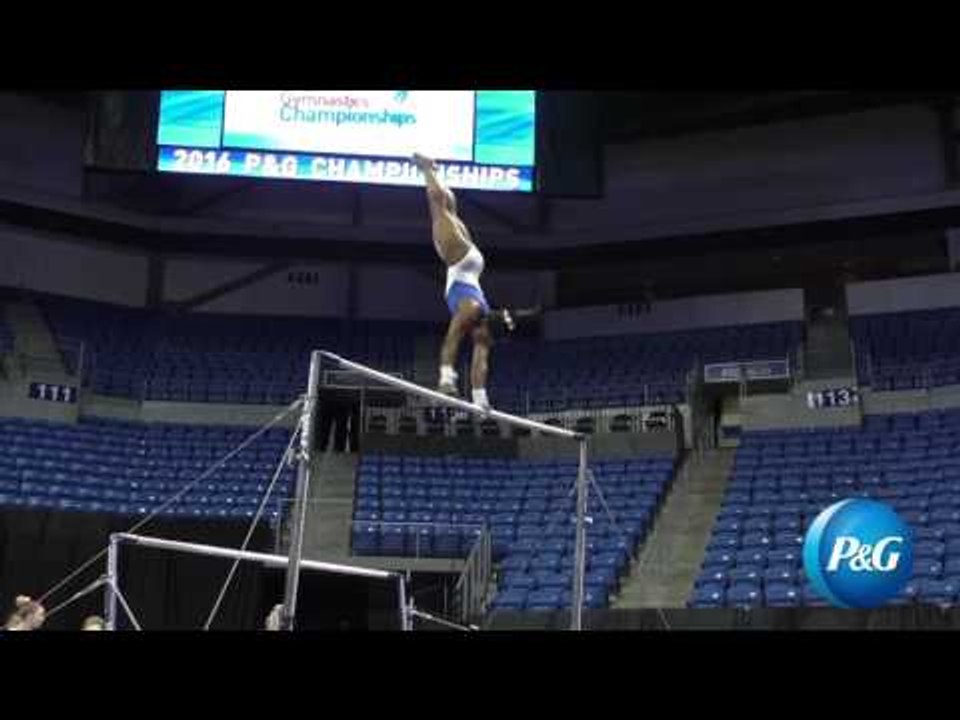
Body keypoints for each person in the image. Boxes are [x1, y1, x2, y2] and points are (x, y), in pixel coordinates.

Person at [411, 152, 519, 410]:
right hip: (459, 259)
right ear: (485, 327)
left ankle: (433, 169)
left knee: (449, 207)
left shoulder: (483, 332)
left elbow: (479, 366)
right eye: (488, 338)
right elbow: (451, 339)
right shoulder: (470, 310)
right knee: (438, 208)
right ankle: (427, 167)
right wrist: (446, 378)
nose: (485, 343)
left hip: (471, 263)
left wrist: (481, 401)